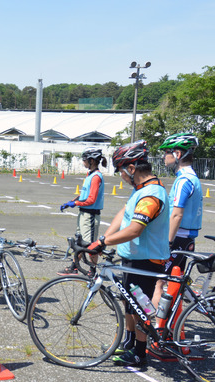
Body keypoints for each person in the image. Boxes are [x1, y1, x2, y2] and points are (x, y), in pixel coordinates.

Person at [86, 140, 170, 367]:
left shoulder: (151, 196)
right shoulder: (140, 191)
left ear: (132, 169)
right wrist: (102, 240)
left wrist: (103, 242)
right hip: (133, 257)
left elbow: (134, 229)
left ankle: (140, 353)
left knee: (142, 307)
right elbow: (123, 214)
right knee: (129, 302)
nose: (120, 176)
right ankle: (130, 341)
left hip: (147, 260)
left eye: (121, 171)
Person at [152, 133, 202, 306]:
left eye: (166, 153)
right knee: (176, 281)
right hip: (186, 237)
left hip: (178, 238)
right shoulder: (191, 177)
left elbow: (177, 214)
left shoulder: (184, 180)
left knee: (158, 282)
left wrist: (167, 243)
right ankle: (172, 325)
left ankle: (157, 328)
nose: (164, 158)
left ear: (177, 155)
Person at [58, 147, 107, 276]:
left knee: (90, 245)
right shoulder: (90, 175)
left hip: (90, 215)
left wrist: (75, 203)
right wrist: (71, 201)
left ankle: (93, 272)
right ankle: (74, 267)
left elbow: (91, 199)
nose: (83, 162)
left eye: (84, 159)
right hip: (84, 214)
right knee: (79, 242)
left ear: (91, 160)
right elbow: (84, 195)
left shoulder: (96, 177)